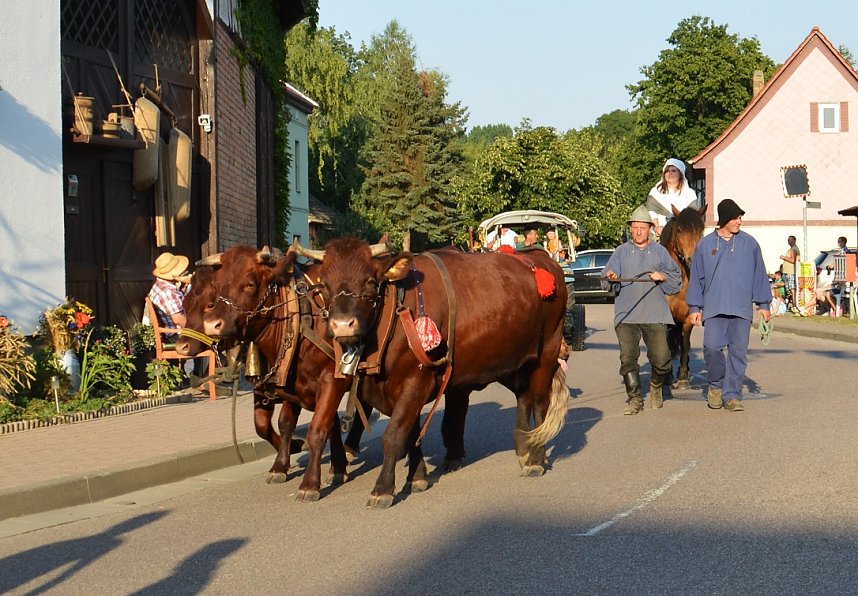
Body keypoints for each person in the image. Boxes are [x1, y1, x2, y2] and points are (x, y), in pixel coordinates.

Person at [687, 199, 772, 412]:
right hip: (714, 308)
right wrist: (694, 308)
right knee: (712, 348)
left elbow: (759, 274)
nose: (739, 221)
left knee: (738, 353)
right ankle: (716, 385)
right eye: (735, 217)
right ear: (724, 219)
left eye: (740, 217)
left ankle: (733, 395)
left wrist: (764, 304)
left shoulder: (750, 244)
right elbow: (696, 278)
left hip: (741, 309)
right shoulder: (705, 245)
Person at [601, 205, 682, 414]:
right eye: (635, 227)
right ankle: (635, 398)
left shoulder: (660, 252)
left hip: (655, 315)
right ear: (630, 228)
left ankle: (656, 385)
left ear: (650, 229)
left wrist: (662, 276)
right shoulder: (620, 252)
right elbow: (606, 281)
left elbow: (676, 282)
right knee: (628, 360)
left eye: (642, 228)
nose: (638, 231)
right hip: (626, 316)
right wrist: (610, 277)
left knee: (663, 360)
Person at [646, 158, 699, 237]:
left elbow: (693, 216)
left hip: (683, 234)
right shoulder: (655, 192)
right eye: (667, 171)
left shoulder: (689, 194)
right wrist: (656, 227)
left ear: (680, 174)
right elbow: (652, 213)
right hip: (661, 234)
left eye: (674, 171)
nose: (670, 173)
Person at [148, 252, 190, 335]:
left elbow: (172, 304)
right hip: (177, 334)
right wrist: (198, 331)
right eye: (180, 270)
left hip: (172, 327)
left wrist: (182, 290)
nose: (183, 271)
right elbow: (178, 320)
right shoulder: (167, 292)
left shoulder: (159, 285)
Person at [779, 235, 800, 310]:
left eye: (790, 240)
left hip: (791, 272)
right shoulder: (791, 249)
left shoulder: (794, 249)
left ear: (794, 240)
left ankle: (795, 305)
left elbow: (793, 260)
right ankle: (790, 304)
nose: (789, 241)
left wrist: (784, 257)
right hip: (787, 272)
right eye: (788, 240)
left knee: (792, 288)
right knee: (788, 289)